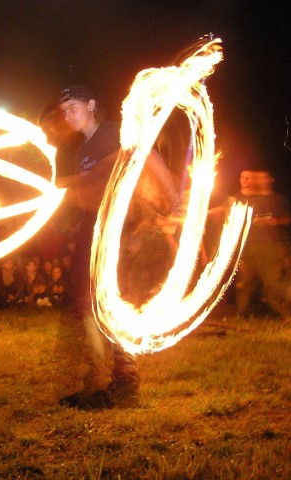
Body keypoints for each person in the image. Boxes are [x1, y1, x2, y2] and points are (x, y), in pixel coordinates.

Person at [52, 85, 180, 409]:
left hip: (117, 228)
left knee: (109, 304)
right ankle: (97, 382)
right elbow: (89, 191)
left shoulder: (111, 132)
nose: (68, 115)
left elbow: (146, 154)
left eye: (73, 106)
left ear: (92, 103)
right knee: (86, 304)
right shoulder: (82, 151)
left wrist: (174, 196)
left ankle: (124, 385)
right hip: (92, 227)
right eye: (63, 110)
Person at [235, 168, 291, 319]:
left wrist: (277, 221)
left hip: (269, 245)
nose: (260, 181)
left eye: (264, 178)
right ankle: (242, 314)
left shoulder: (278, 199)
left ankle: (282, 313)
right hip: (251, 245)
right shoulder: (253, 199)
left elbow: (288, 219)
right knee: (246, 280)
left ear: (271, 180)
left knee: (272, 282)